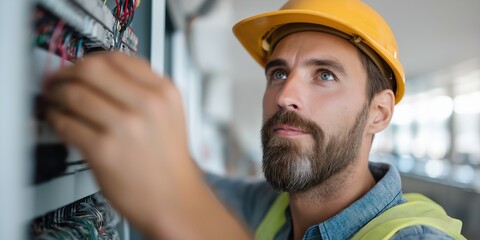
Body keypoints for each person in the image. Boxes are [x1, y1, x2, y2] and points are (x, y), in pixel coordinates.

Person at [44, 0, 465, 239]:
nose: (285, 96)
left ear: (379, 113)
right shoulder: (267, 206)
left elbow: (182, 191)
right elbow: (176, 172)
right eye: (278, 73)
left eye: (324, 75)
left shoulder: (417, 238)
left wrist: (182, 210)